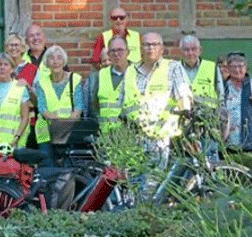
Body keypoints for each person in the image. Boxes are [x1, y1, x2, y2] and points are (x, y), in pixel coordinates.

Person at [120, 32, 192, 171]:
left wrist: (186, 115)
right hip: (135, 137)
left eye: (155, 44)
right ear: (140, 48)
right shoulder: (130, 71)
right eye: (146, 44)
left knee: (156, 178)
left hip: (162, 138)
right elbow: (123, 101)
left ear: (162, 49)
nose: (150, 48)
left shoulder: (173, 67)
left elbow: (183, 94)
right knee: (134, 178)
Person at [34, 46, 83, 165]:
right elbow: (42, 109)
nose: (55, 62)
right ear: (46, 62)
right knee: (48, 169)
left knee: (69, 169)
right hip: (46, 133)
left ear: (64, 61)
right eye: (51, 58)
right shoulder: (42, 82)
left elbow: (79, 107)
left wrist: (64, 124)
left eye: (59, 58)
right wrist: (59, 121)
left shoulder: (74, 79)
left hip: (69, 133)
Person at [0, 53, 30, 154]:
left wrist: (16, 138)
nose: (2, 68)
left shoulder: (20, 88)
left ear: (12, 69)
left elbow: (25, 117)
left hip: (14, 146)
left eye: (6, 65)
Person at [87, 38, 129, 131]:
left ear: (128, 52)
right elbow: (94, 105)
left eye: (120, 50)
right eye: (113, 51)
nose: (116, 54)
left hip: (131, 134)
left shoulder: (137, 73)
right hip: (105, 133)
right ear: (109, 54)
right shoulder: (100, 76)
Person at [179, 35, 224, 105]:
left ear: (200, 50)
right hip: (181, 110)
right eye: (186, 50)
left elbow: (221, 95)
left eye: (194, 49)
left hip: (207, 111)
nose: (190, 53)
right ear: (181, 51)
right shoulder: (173, 68)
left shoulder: (213, 67)